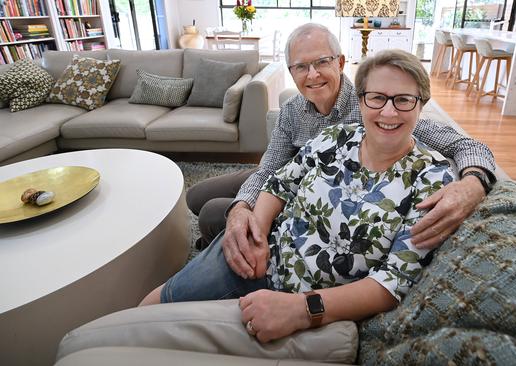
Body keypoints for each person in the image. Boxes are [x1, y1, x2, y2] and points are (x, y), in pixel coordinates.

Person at [141, 49, 459, 344]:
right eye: (376, 98)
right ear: (361, 101)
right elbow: (280, 181)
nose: (388, 111)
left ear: (422, 103)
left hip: (311, 302)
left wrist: (304, 309)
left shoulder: (432, 178)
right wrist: (258, 234)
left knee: (170, 336)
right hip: (265, 255)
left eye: (403, 99)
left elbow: (392, 282)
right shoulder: (337, 137)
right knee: (149, 312)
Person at [188, 23, 496, 280]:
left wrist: (473, 183)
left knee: (214, 213)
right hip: (288, 174)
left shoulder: (375, 106)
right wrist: (243, 206)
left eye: (322, 62)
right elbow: (269, 170)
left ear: (340, 61)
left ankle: (221, 250)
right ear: (291, 71)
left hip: (312, 194)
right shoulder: (292, 111)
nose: (313, 75)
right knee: (196, 196)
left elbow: (467, 145)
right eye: (301, 67)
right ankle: (219, 245)